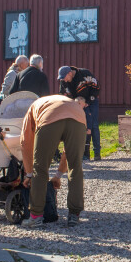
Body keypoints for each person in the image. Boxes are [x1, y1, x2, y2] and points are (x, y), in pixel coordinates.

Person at [20, 95, 86, 228]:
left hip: (49, 117)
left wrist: (28, 174)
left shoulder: (33, 108)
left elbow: (25, 142)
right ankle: (74, 215)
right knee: (75, 166)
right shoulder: (63, 101)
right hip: (78, 115)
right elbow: (67, 153)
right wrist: (58, 175)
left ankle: (36, 217)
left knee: (40, 168)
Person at [57, 65, 101, 160]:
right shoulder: (63, 81)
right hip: (74, 104)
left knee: (93, 126)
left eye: (65, 77)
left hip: (90, 102)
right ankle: (84, 154)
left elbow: (96, 87)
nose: (64, 80)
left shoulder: (85, 74)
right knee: (80, 127)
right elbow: (62, 94)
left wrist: (88, 101)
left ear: (70, 73)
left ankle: (97, 152)